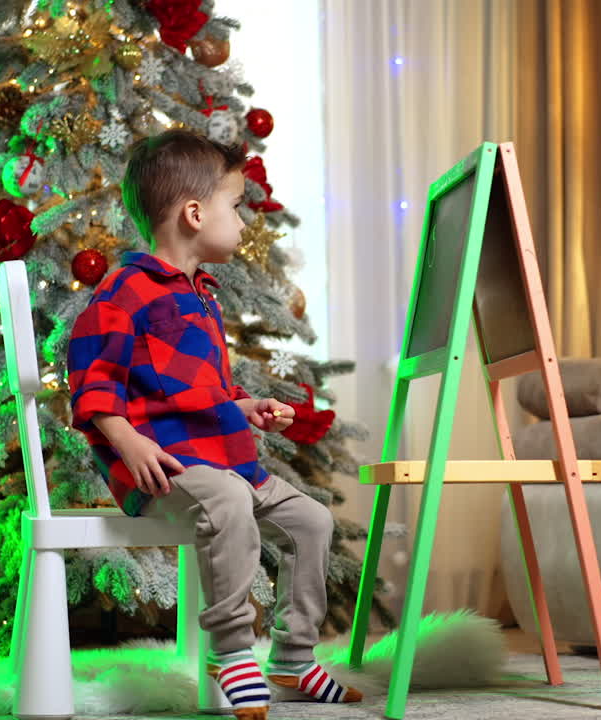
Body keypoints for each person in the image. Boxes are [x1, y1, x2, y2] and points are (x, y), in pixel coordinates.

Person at [67, 130, 361, 719]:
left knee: (311, 519)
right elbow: (92, 376)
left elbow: (202, 387)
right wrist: (126, 440)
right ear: (194, 214)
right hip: (167, 469)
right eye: (235, 206)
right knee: (225, 497)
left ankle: (293, 658)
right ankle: (232, 650)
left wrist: (243, 407)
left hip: (228, 458)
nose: (244, 222)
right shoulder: (126, 291)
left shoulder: (201, 294)